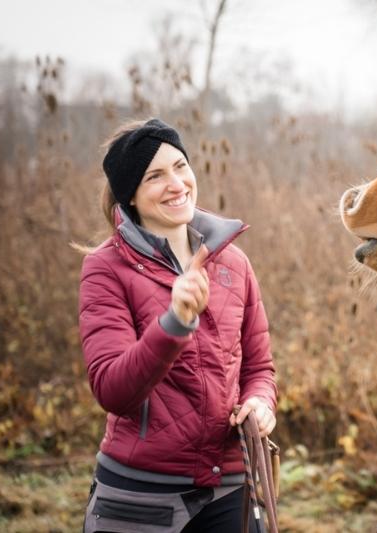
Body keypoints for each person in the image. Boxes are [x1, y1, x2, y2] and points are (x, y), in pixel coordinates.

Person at [78, 118, 277, 532]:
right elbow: (113, 390)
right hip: (140, 496)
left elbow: (258, 368)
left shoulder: (234, 263)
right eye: (155, 176)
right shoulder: (105, 269)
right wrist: (174, 322)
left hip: (230, 487)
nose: (177, 183)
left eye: (180, 166)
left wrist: (260, 404)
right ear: (130, 194)